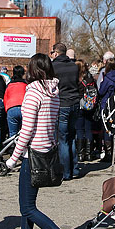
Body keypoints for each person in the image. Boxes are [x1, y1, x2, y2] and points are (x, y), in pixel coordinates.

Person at [2, 53, 81, 229]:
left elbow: (26, 130)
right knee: (28, 206)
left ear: (32, 70)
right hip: (46, 150)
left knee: (28, 208)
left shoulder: (33, 91)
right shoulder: (54, 91)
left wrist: (12, 159)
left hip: (32, 155)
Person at [51, 43, 82, 180]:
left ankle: (66, 172)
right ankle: (74, 169)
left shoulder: (53, 66)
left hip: (62, 103)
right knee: (71, 136)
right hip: (74, 102)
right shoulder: (74, 66)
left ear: (56, 53)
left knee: (63, 139)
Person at [4, 65, 28, 138]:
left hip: (11, 108)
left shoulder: (9, 85)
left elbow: (5, 98)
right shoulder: (26, 85)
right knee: (24, 133)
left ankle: (14, 144)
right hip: (24, 109)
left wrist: (7, 110)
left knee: (13, 133)